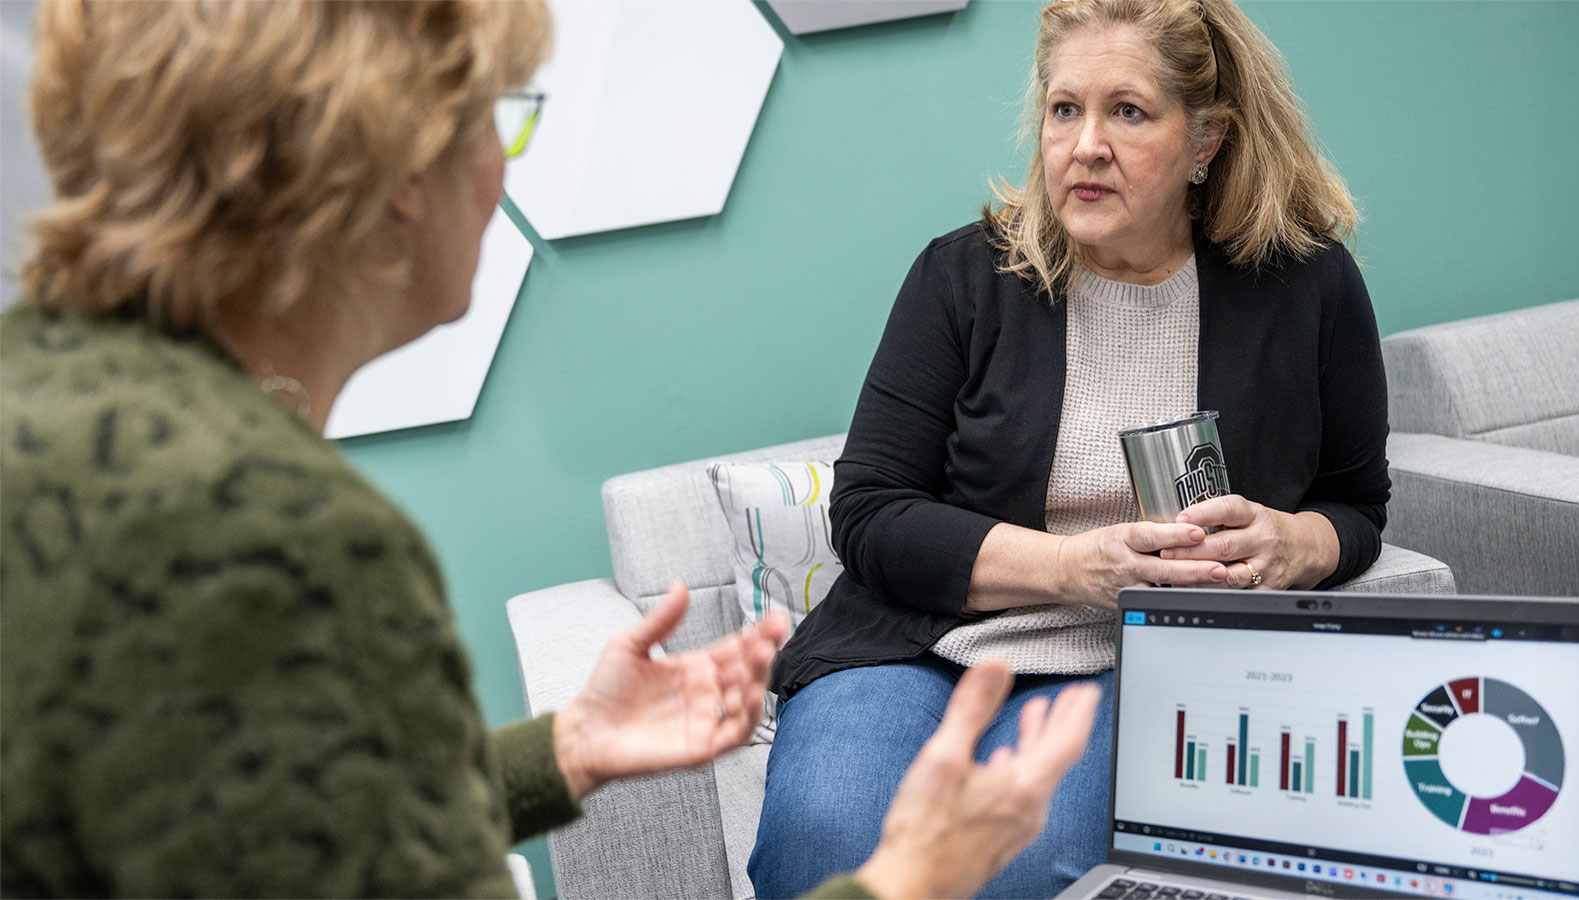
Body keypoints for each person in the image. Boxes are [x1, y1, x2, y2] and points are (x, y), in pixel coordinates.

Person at [0, 2, 1100, 898]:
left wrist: (557, 754)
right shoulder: (274, 534)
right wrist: (910, 882)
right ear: (396, 168)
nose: (502, 169)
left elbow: (240, 823)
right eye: (498, 117)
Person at [750, 0, 1390, 896]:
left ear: (1207, 140)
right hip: (914, 646)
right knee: (826, 840)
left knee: (1023, 867)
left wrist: (1297, 543)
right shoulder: (965, 275)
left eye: (1128, 111)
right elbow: (868, 510)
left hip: (1138, 656)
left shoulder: (1307, 287)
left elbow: (1357, 502)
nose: (1085, 144)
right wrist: (1069, 568)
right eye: (1065, 109)